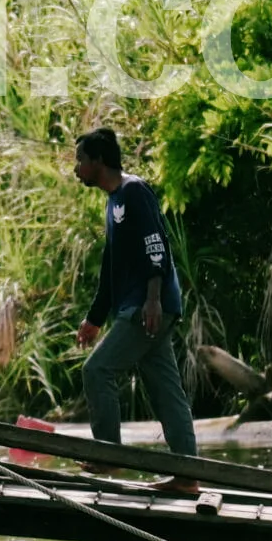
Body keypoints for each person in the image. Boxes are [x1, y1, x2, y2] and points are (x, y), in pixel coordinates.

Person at [71, 127, 198, 483]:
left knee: (97, 370)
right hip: (143, 306)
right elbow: (111, 270)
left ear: (98, 160)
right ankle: (188, 476)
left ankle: (108, 455)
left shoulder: (134, 191)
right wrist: (94, 319)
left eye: (80, 160)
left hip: (147, 307)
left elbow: (155, 244)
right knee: (165, 392)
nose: (76, 168)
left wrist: (153, 299)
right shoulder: (115, 202)